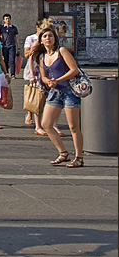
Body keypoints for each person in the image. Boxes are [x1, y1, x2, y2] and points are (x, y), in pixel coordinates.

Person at [33, 24, 84, 168]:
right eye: (45, 36)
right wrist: (48, 81)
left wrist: (58, 80)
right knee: (46, 124)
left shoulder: (61, 51)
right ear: (41, 41)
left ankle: (79, 157)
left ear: (55, 39)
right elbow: (43, 76)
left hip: (69, 91)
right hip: (55, 93)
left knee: (73, 126)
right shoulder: (42, 57)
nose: (48, 38)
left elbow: (74, 70)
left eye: (50, 36)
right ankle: (63, 153)